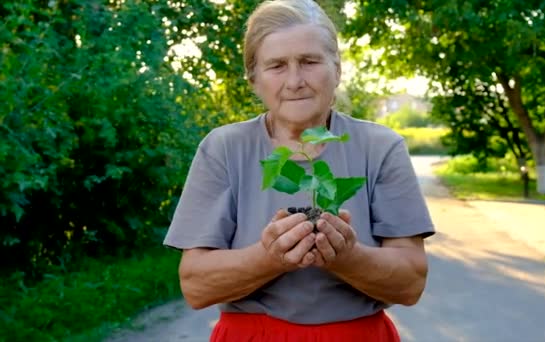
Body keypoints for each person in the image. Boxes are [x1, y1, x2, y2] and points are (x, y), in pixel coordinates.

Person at [163, 0, 435, 340]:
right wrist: (269, 257)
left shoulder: (380, 147)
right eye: (277, 65)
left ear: (336, 69)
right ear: (254, 78)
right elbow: (195, 286)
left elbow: (410, 284)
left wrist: (347, 256)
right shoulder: (224, 149)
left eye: (309, 62)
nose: (295, 81)